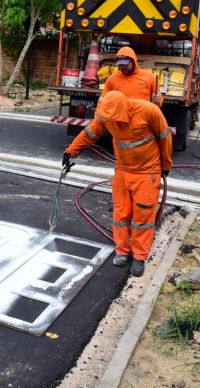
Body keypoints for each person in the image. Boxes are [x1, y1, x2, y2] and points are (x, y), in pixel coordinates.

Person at [62, 90, 173, 277]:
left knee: (143, 218)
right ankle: (122, 250)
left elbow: (165, 137)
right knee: (121, 213)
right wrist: (70, 152)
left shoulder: (149, 111)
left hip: (147, 173)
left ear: (122, 110)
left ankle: (139, 256)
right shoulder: (107, 115)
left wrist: (166, 165)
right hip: (122, 171)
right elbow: (90, 133)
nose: (109, 122)